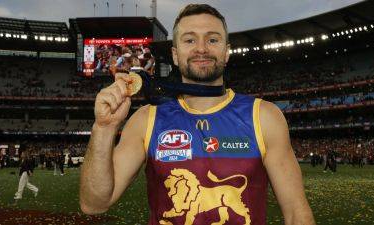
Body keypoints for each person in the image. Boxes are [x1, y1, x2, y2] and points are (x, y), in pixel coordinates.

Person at [80, 4, 315, 225]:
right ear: (174, 54)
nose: (201, 48)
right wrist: (104, 128)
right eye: (189, 39)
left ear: (226, 52)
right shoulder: (146, 120)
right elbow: (94, 203)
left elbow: (296, 213)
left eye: (212, 39)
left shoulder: (263, 117)